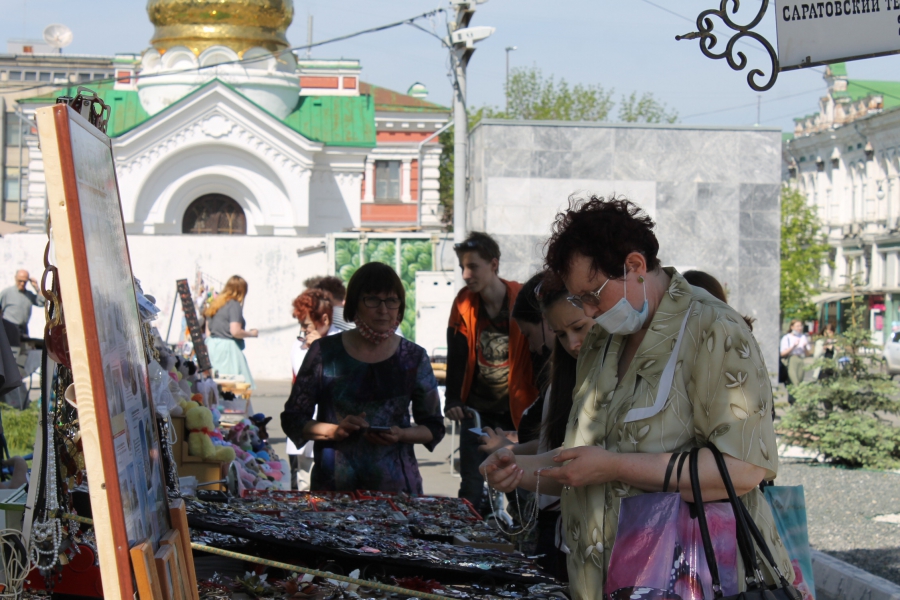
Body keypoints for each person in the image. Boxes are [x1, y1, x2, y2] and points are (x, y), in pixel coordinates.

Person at [480, 195, 792, 598]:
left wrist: (615, 467)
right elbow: (587, 462)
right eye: (579, 299)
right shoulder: (604, 341)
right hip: (602, 581)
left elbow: (743, 470)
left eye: (593, 294)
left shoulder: (714, 328)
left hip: (694, 581)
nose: (589, 312)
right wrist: (521, 471)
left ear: (636, 267)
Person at [281, 262, 445, 493]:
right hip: (334, 488)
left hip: (397, 490)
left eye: (391, 300)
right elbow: (293, 420)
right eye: (372, 300)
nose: (383, 309)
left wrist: (401, 434)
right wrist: (333, 430)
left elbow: (433, 427)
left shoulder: (413, 357)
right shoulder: (324, 352)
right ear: (355, 304)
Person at [444, 232, 537, 512]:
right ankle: (465, 547)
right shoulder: (464, 302)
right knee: (471, 485)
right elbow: (456, 353)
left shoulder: (521, 297)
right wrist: (452, 400)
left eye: (472, 266)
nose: (465, 274)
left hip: (516, 412)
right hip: (477, 412)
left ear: (494, 265)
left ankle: (523, 545)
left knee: (518, 485)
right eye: (462, 267)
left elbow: (538, 352)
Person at [287, 289, 339, 490]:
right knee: (304, 483)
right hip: (307, 425)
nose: (303, 330)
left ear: (324, 319)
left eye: (306, 325)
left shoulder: (342, 343)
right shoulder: (299, 346)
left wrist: (320, 348)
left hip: (333, 430)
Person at [204, 275, 258, 389]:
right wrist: (252, 334)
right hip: (227, 351)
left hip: (212, 346)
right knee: (233, 388)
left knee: (215, 386)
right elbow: (235, 331)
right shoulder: (233, 304)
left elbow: (208, 330)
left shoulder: (216, 303)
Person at [0, 270, 45, 338]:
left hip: (23, 330)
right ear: (15, 278)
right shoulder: (6, 293)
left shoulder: (29, 295)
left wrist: (37, 288)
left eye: (25, 281)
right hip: (8, 329)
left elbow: (43, 302)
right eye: (20, 281)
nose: (22, 283)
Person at [781, 319, 812, 402]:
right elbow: (782, 353)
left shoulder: (803, 337)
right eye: (797, 326)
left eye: (800, 326)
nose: (799, 328)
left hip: (801, 360)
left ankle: (795, 402)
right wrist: (793, 346)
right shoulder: (787, 337)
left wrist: (805, 347)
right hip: (791, 359)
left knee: (800, 382)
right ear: (792, 327)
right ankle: (795, 402)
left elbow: (808, 354)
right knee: (794, 382)